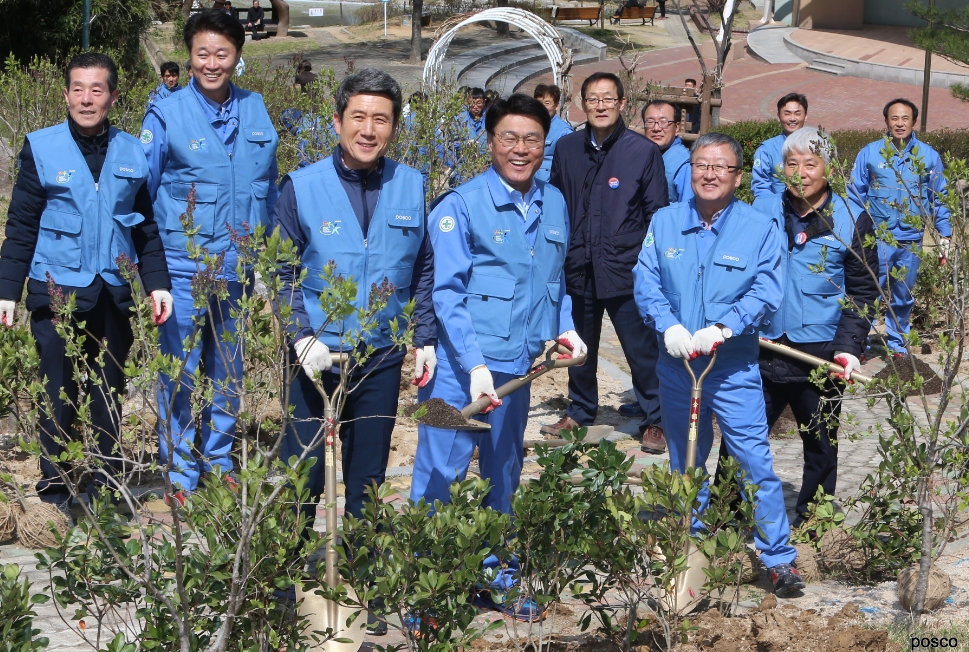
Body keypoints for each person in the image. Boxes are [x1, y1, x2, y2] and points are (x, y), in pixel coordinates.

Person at [410, 93, 587, 620]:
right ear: (489, 142)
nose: (520, 148)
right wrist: (475, 365)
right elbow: (447, 294)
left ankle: (495, 576)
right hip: (458, 371)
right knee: (440, 473)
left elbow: (553, 281)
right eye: (508, 137)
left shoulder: (553, 202)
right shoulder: (460, 206)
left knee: (502, 472)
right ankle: (427, 587)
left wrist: (566, 327)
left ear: (544, 145)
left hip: (518, 368)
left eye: (532, 138)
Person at [276, 68, 435, 634]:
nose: (369, 130)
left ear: (395, 127)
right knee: (301, 477)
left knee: (367, 477)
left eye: (382, 119)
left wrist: (425, 337)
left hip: (381, 356)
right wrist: (301, 334)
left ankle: (365, 595)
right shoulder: (300, 186)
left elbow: (422, 268)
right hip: (315, 358)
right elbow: (281, 267)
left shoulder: (412, 185)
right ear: (337, 120)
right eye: (359, 117)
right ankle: (280, 591)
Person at [0, 53, 173, 515]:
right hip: (55, 290)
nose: (86, 98)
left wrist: (157, 283)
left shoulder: (132, 150)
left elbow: (145, 228)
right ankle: (54, 493)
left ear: (113, 96)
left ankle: (108, 487)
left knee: (108, 393)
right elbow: (21, 225)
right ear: (65, 94)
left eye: (97, 89)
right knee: (59, 393)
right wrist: (7, 292)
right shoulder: (42, 147)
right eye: (78, 88)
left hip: (112, 291)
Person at [633, 132, 805, 596]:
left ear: (738, 176)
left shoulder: (758, 227)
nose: (709, 175)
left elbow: (767, 290)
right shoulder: (665, 221)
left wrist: (726, 327)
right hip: (677, 366)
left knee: (754, 461)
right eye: (700, 166)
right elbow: (646, 280)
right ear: (689, 171)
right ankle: (689, 545)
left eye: (720, 167)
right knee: (684, 460)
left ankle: (778, 559)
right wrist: (667, 324)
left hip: (731, 369)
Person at [141, 9, 279, 505]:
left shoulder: (257, 109)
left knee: (229, 368)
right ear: (190, 56)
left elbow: (268, 185)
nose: (212, 63)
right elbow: (143, 191)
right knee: (178, 369)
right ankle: (179, 474)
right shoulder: (165, 112)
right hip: (183, 266)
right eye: (202, 53)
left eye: (222, 53)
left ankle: (218, 462)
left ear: (238, 56)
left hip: (239, 266)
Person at [716, 127, 879, 527]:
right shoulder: (759, 210)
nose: (801, 172)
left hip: (819, 350)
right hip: (761, 345)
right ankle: (725, 513)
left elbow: (863, 290)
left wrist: (849, 347)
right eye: (792, 164)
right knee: (740, 435)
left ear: (829, 169)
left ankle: (814, 517)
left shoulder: (851, 217)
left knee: (821, 442)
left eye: (811, 163)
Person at [541, 71, 668, 455]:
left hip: (625, 269)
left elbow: (657, 216)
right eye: (592, 99)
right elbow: (556, 205)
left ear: (622, 104)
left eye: (607, 99)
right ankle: (580, 411)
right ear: (582, 104)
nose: (600, 105)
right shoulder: (566, 148)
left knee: (641, 350)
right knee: (579, 348)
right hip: (579, 266)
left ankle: (656, 419)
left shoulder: (641, 152)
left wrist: (648, 267)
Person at [849, 98, 951, 358]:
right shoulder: (870, 153)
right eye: (894, 118)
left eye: (905, 118)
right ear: (886, 121)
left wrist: (945, 233)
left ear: (914, 122)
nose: (899, 123)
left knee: (903, 296)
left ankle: (897, 344)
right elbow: (855, 194)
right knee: (869, 292)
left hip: (910, 240)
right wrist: (857, 229)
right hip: (877, 239)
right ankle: (857, 342)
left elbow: (938, 196)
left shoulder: (928, 156)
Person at [751, 93, 808, 197]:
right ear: (778, 116)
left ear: (806, 115)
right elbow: (760, 186)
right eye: (787, 113)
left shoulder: (817, 146)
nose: (792, 119)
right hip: (778, 209)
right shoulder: (766, 149)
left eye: (797, 113)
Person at [642, 99, 693, 204]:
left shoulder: (685, 164)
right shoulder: (641, 154)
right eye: (650, 122)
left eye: (663, 122)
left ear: (677, 127)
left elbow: (687, 209)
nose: (656, 128)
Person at [533, 83, 573, 184]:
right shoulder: (529, 126)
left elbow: (568, 166)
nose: (542, 108)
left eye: (547, 103)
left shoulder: (564, 132)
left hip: (549, 185)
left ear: (556, 105)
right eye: (539, 103)